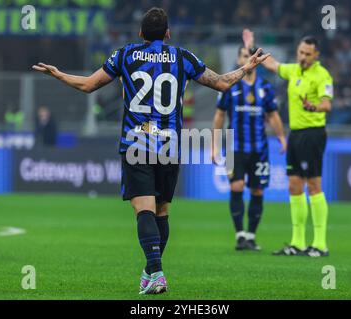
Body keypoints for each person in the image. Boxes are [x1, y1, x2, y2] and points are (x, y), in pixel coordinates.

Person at [32, 8, 270, 294]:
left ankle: (156, 272)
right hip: (170, 144)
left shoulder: (125, 55)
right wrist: (246, 68)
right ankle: (151, 270)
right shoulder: (183, 57)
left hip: (138, 141)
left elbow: (88, 86)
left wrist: (59, 75)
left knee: (142, 209)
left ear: (141, 34)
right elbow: (220, 83)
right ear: (168, 33)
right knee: (162, 211)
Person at [243, 29, 333, 257]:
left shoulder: (322, 75)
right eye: (301, 52)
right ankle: (298, 243)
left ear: (316, 55)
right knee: (294, 186)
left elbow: (327, 104)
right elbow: (272, 64)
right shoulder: (293, 70)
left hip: (313, 134)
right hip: (295, 135)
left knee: (313, 186)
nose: (303, 57)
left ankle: (320, 244)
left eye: (308, 54)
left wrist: (314, 106)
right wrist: (253, 48)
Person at [212, 45, 286, 251]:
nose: (248, 59)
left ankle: (251, 236)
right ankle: (240, 235)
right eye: (244, 56)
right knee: (236, 187)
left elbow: (273, 115)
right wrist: (215, 145)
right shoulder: (230, 87)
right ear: (238, 60)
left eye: (251, 56)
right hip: (234, 147)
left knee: (257, 190)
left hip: (259, 148)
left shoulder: (265, 88)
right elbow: (219, 115)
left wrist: (281, 137)